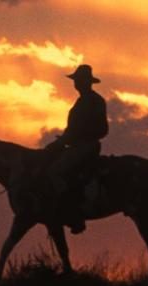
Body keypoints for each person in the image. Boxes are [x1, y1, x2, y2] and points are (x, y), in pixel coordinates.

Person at [44, 64, 108, 234]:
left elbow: (101, 129)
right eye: (76, 80)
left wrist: (68, 139)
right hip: (78, 145)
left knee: (55, 172)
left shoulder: (93, 101)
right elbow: (73, 129)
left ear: (87, 82)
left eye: (78, 80)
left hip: (85, 146)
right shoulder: (85, 101)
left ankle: (73, 214)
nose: (76, 83)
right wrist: (64, 140)